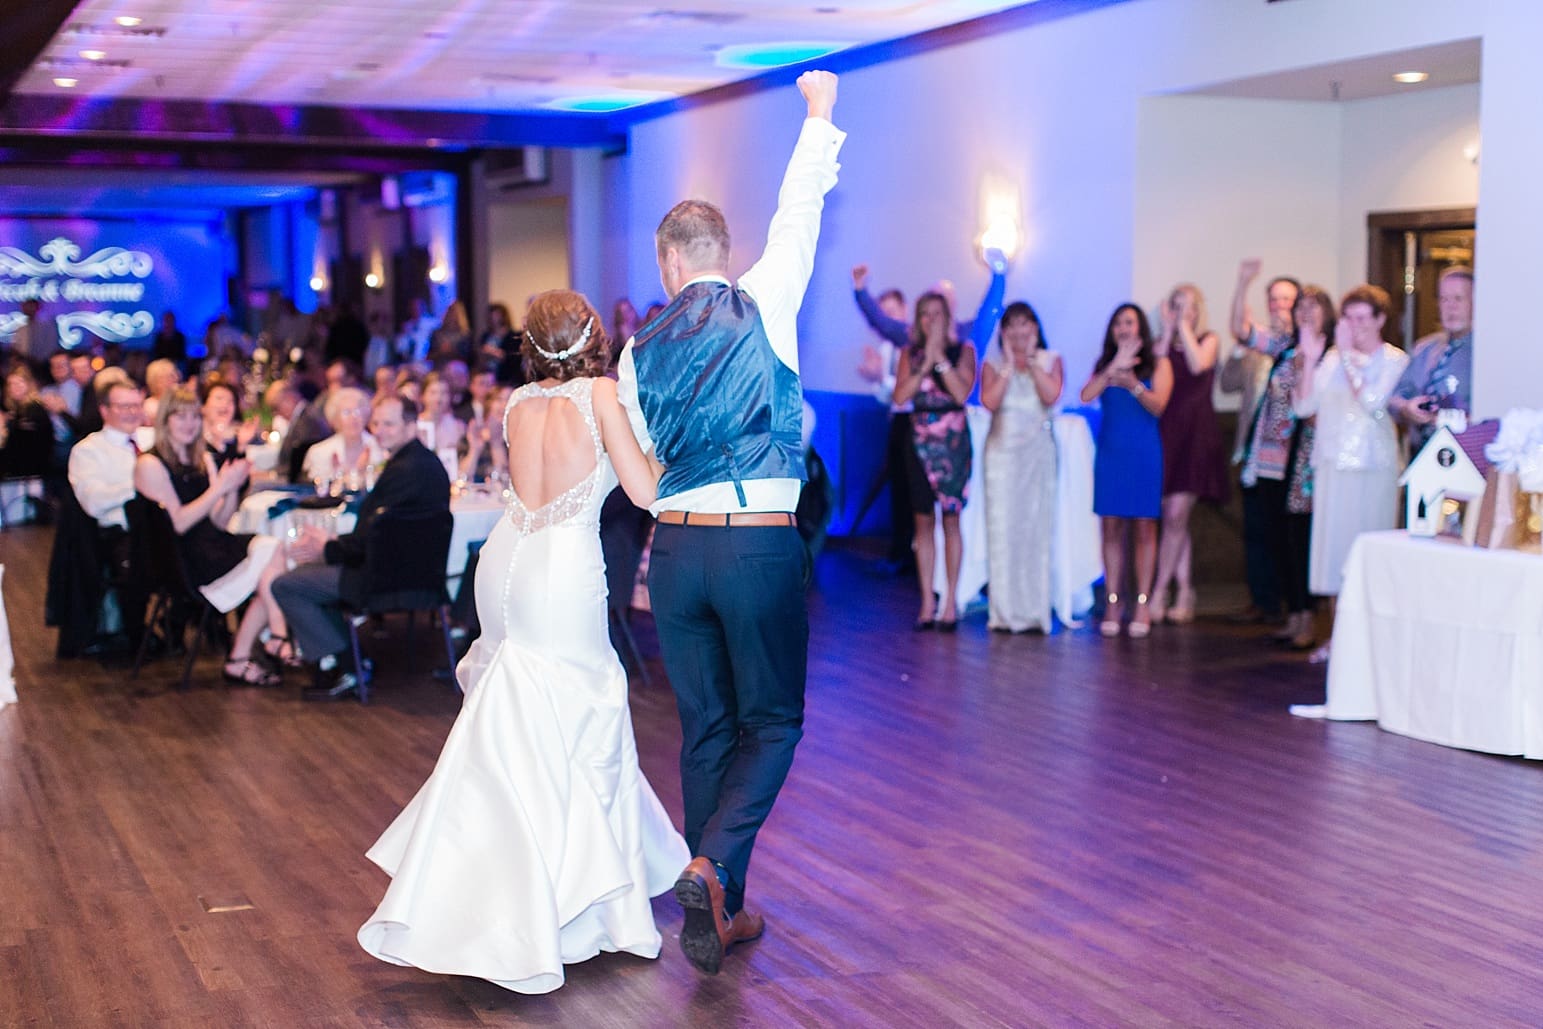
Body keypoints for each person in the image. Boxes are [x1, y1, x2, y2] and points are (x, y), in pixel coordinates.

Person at [357, 290, 689, 994]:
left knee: (517, 721)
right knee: (580, 714)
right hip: (560, 566)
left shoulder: (516, 403)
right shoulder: (600, 394)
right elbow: (643, 493)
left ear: (531, 346)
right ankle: (576, 909)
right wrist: (671, 449)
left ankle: (502, 886)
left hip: (506, 558)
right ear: (592, 338)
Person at [615, 69, 842, 976]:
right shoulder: (767, 296)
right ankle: (710, 866)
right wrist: (818, 113)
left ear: (667, 262)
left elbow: (640, 467)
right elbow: (800, 209)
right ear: (723, 250)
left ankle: (723, 903)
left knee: (706, 724)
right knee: (774, 720)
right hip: (754, 542)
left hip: (674, 550)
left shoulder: (636, 350)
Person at [270, 392, 449, 699]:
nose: (379, 431)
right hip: (418, 575)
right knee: (308, 573)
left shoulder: (403, 471)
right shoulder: (423, 464)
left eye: (388, 424)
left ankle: (347, 666)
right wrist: (330, 546)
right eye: (376, 423)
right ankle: (347, 662)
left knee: (287, 585)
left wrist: (327, 548)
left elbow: (370, 540)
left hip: (383, 579)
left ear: (411, 427)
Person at [132, 387, 288, 687]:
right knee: (272, 563)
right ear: (166, 419)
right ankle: (263, 644)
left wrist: (230, 489)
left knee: (273, 558)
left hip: (210, 544)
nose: (189, 424)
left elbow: (219, 520)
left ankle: (257, 647)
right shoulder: (150, 464)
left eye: (194, 416)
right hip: (180, 560)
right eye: (181, 417)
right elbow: (178, 523)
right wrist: (219, 488)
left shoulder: (202, 458)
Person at [1293, 284, 1406, 663]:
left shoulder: (1393, 360)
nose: (1355, 327)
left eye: (1362, 319)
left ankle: (1369, 643)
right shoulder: (1330, 360)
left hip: (1373, 467)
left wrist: (1344, 356)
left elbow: (1373, 401)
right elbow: (1303, 407)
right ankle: (1338, 636)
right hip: (1332, 464)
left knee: (1367, 551)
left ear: (1380, 320)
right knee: (1334, 552)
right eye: (1349, 319)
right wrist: (1311, 361)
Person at [1080, 303, 1173, 638]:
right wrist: (1112, 369)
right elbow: (1086, 394)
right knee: (1110, 527)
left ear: (1140, 328)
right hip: (1111, 452)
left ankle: (1143, 603)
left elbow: (1159, 406)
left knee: (1145, 528)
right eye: (1118, 323)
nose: (1123, 328)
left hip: (1144, 452)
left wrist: (1133, 383)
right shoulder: (1103, 364)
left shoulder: (1158, 363)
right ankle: (1113, 602)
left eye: (1129, 322)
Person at [1240, 286, 1320, 651]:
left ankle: (1309, 616)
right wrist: (1243, 282)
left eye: (1311, 308)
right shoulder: (1286, 348)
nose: (1303, 314)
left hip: (1305, 456)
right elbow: (1243, 332)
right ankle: (1293, 614)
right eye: (1300, 308)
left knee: (1301, 538)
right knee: (1281, 538)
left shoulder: (1326, 353)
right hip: (1274, 458)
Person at [892, 291, 978, 630]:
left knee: (951, 520)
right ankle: (928, 600)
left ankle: (951, 600)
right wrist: (924, 362)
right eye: (924, 314)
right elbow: (901, 396)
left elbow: (961, 392)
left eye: (937, 313)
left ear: (948, 317)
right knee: (923, 521)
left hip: (953, 442)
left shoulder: (964, 351)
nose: (931, 320)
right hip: (918, 442)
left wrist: (939, 357)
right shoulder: (909, 353)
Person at [1224, 260, 1300, 624]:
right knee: (1256, 529)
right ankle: (1263, 601)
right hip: (1257, 453)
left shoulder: (1306, 346)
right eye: (1274, 299)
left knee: (1285, 533)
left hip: (1291, 455)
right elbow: (1239, 330)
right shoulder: (1267, 344)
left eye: (1287, 299)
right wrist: (1242, 282)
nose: (1279, 306)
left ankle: (1290, 606)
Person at [980, 301, 1062, 633]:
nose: (1018, 331)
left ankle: (1034, 611)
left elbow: (1051, 396)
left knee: (1035, 530)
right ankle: (1003, 612)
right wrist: (1009, 367)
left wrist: (1030, 361)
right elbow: (990, 401)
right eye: (1011, 325)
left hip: (1037, 455)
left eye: (1024, 323)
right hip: (1001, 456)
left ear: (1035, 328)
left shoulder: (1051, 360)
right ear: (1003, 331)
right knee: (1002, 530)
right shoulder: (992, 364)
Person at [1149, 284, 1228, 624]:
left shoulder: (1209, 339)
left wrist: (1182, 326)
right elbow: (1154, 371)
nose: (1183, 311)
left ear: (1198, 311)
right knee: (1173, 518)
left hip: (1197, 436)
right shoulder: (1161, 342)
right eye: (1177, 305)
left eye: (1189, 306)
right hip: (1166, 434)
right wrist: (1168, 331)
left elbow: (1198, 366)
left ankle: (1158, 591)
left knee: (1177, 513)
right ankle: (1184, 590)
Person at [1390, 265, 1474, 456]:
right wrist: (1407, 408)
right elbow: (1395, 397)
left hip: (1468, 455)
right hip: (1422, 454)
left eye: (1458, 299)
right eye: (1444, 299)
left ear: (1475, 302)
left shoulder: (1485, 355)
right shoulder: (1424, 349)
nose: (1450, 307)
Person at [300, 387, 382, 487]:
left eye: (357, 411)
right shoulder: (319, 452)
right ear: (335, 419)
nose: (353, 418)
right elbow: (317, 489)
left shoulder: (381, 448)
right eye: (346, 412)